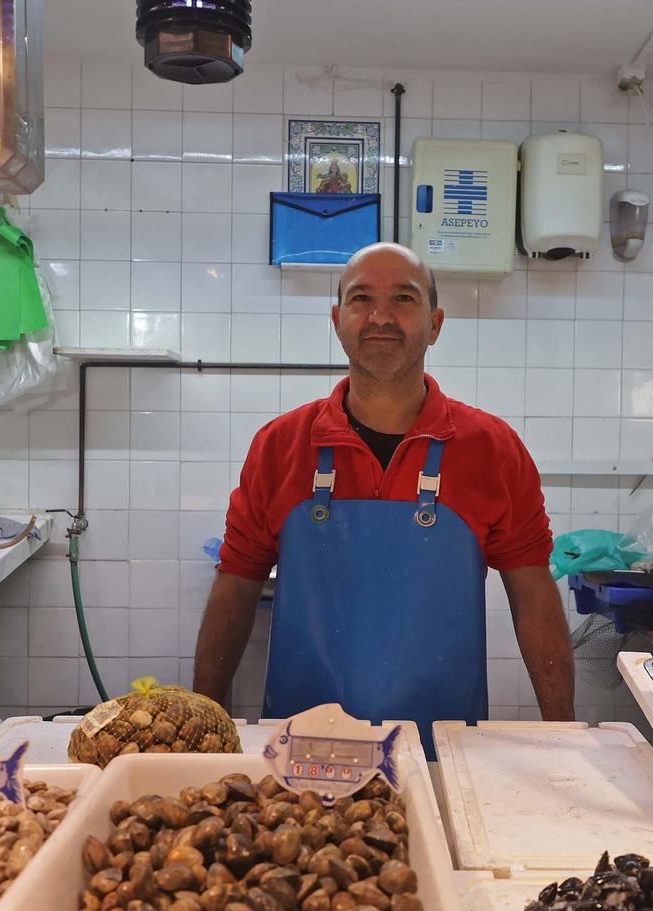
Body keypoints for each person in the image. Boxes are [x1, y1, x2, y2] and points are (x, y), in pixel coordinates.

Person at [192, 242, 575, 750]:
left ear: (435, 324)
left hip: (446, 753)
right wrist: (203, 734)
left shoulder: (492, 448)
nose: (380, 317)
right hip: (300, 752)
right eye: (361, 298)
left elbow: (533, 596)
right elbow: (235, 587)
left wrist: (566, 733)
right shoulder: (280, 446)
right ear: (337, 319)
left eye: (404, 299)